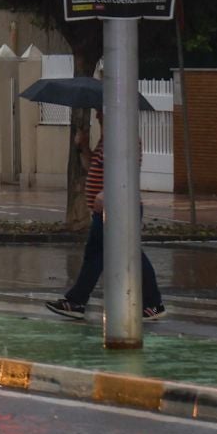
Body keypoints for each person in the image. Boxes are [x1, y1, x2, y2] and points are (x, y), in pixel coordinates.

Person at [45, 126, 165, 322]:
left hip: (120, 206)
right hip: (104, 210)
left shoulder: (125, 135)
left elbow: (126, 169)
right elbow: (92, 166)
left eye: (101, 111)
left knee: (129, 252)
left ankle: (153, 303)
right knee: (96, 255)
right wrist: (83, 147)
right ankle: (77, 301)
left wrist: (107, 192)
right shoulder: (107, 138)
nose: (98, 116)